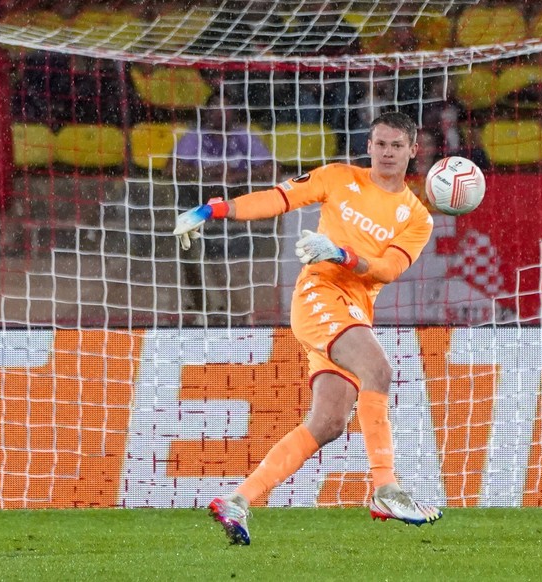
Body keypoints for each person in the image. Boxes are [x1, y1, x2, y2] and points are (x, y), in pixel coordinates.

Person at [174, 111, 441, 545]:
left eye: (397, 146)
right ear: (369, 147)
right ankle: (386, 489)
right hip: (319, 295)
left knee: (329, 422)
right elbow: (279, 198)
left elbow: (388, 270)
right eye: (380, 144)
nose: (387, 153)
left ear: (413, 150)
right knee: (380, 372)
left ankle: (239, 499)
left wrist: (342, 253)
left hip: (353, 308)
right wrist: (212, 208)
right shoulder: (338, 177)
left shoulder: (417, 217)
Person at [166, 92, 273, 325]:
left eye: (226, 108)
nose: (220, 113)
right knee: (192, 252)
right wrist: (203, 176)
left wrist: (236, 176)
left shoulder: (243, 136)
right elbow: (171, 168)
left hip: (236, 207)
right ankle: (203, 310)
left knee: (230, 266)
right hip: (201, 206)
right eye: (215, 108)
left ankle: (240, 313)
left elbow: (270, 169)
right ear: (206, 112)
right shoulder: (196, 136)